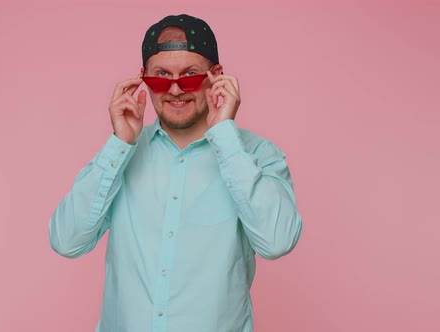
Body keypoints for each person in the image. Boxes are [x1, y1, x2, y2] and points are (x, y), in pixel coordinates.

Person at [49, 14, 303, 332]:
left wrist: (225, 133)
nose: (175, 89)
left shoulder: (255, 155)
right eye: (160, 77)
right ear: (143, 78)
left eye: (190, 76)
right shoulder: (119, 155)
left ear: (217, 76)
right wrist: (119, 144)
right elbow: (67, 241)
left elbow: (278, 241)